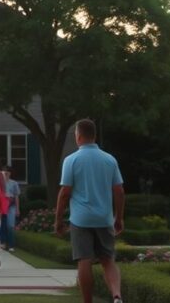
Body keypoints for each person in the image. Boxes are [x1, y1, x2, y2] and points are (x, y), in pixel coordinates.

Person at [55, 118, 124, 303]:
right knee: (108, 260)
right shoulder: (109, 160)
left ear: (78, 136)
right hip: (104, 218)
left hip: (80, 219)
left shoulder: (71, 160)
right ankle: (117, 296)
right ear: (94, 135)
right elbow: (119, 191)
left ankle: (87, 301)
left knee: (84, 260)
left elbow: (65, 193)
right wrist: (119, 217)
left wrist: (58, 220)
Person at [0, 165, 20, 253]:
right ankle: (3, 243)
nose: (6, 172)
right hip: (2, 205)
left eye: (8, 171)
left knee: (10, 226)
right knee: (2, 225)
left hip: (11, 205)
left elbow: (16, 196)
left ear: (10, 173)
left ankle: (11, 245)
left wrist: (17, 209)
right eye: (4, 171)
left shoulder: (14, 183)